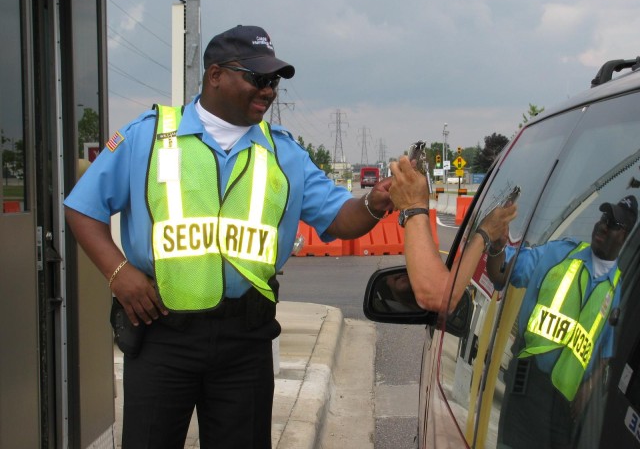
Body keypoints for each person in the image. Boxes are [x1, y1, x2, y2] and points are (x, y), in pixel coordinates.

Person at [64, 25, 393, 449]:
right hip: (162, 333)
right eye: (257, 78)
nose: (269, 90)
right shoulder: (147, 136)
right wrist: (118, 272)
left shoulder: (283, 152)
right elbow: (81, 207)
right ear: (215, 75)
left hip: (245, 340)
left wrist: (374, 203)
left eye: (273, 81)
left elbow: (340, 217)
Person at [486, 195, 638, 449]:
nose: (603, 225)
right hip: (527, 386)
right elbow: (500, 273)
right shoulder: (559, 254)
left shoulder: (618, 289)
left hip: (565, 410)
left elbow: (606, 352)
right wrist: (497, 246)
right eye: (603, 217)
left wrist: (588, 388)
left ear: (625, 237)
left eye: (613, 224)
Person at [389, 155, 517, 314]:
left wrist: (413, 206)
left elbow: (439, 297)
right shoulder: (539, 255)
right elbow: (501, 278)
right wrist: (497, 246)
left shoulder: (544, 254)